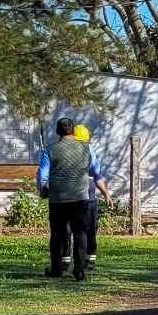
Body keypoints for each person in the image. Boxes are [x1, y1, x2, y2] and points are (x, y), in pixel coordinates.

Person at [37, 117, 96, 280]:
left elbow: (42, 177)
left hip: (58, 199)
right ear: (73, 131)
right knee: (80, 233)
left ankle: (56, 269)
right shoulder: (87, 148)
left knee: (57, 234)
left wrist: (44, 189)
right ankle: (79, 269)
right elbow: (94, 169)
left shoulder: (50, 149)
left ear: (57, 132)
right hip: (80, 198)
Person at [72, 124, 112, 265]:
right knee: (81, 231)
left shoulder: (89, 151)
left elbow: (96, 174)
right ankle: (80, 261)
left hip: (88, 198)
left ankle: (89, 259)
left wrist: (106, 194)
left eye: (83, 142)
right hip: (83, 198)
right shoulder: (77, 152)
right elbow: (97, 174)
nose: (82, 145)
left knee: (89, 229)